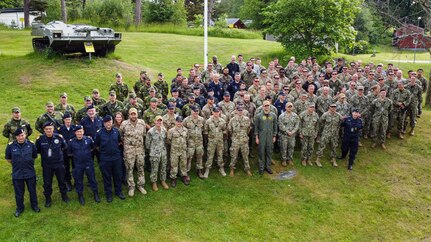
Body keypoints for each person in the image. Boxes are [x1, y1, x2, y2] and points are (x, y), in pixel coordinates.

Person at [5, 128, 39, 217]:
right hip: (17, 173)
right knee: (19, 193)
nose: (21, 137)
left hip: (30, 172)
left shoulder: (31, 144)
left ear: (25, 135)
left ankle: (34, 206)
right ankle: (20, 208)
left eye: (23, 135)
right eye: (19, 136)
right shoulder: (10, 146)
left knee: (32, 191)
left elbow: (34, 156)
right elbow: (8, 159)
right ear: (16, 136)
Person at [35, 122, 69, 207]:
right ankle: (48, 199)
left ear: (53, 129)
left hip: (59, 164)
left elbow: (64, 147)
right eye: (47, 129)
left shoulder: (59, 137)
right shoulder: (40, 139)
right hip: (47, 165)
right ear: (44, 130)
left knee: (62, 181)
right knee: (47, 183)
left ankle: (64, 196)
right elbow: (38, 150)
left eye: (50, 129)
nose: (49, 130)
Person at [95, 115, 125, 202]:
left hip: (116, 158)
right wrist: (105, 151)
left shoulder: (116, 131)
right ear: (104, 123)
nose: (108, 123)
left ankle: (118, 192)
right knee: (106, 177)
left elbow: (119, 142)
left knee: (118, 175)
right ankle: (108, 194)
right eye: (106, 122)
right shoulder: (99, 133)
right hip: (105, 159)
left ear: (112, 122)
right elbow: (97, 146)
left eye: (110, 122)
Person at [67, 125, 100, 205]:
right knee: (78, 180)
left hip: (88, 162)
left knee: (92, 179)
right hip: (78, 164)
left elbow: (93, 148)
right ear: (75, 133)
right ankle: (80, 195)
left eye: (81, 131)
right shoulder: (71, 142)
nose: (79, 133)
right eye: (78, 132)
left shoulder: (88, 139)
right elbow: (69, 153)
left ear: (83, 132)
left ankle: (95, 193)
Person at [119, 108, 147, 197]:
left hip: (139, 150)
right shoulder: (124, 124)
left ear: (137, 115)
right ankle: (131, 187)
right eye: (132, 114)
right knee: (129, 168)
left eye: (135, 114)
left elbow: (144, 134)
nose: (133, 116)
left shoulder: (142, 123)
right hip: (129, 151)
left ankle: (141, 185)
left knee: (140, 167)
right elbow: (120, 136)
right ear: (129, 115)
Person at [145, 116, 169, 191]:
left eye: (160, 121)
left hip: (163, 152)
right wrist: (152, 150)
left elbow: (165, 141)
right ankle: (154, 182)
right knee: (154, 168)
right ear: (154, 122)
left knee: (163, 167)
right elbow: (147, 144)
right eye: (157, 121)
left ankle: (163, 180)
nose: (159, 122)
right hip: (154, 153)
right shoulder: (150, 131)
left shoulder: (164, 130)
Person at [254, 101, 278, 175]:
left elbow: (275, 126)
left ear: (270, 106)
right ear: (263, 106)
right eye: (265, 105)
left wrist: (274, 136)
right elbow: (256, 128)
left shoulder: (273, 115)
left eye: (268, 105)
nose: (266, 107)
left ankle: (268, 166)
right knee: (261, 151)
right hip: (262, 136)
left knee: (269, 151)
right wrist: (257, 137)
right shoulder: (258, 116)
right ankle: (261, 167)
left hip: (270, 136)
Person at [228, 106, 252, 176]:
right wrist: (234, 137)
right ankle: (232, 169)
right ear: (236, 111)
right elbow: (230, 130)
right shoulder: (232, 120)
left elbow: (248, 129)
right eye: (239, 110)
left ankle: (247, 169)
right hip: (235, 140)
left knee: (245, 155)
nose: (240, 112)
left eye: (241, 110)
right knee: (234, 155)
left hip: (244, 140)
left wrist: (244, 135)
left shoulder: (247, 119)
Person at [203, 107, 227, 178]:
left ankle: (221, 168)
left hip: (220, 141)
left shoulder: (222, 121)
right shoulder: (208, 121)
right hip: (211, 141)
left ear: (219, 112)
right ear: (212, 112)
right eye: (215, 112)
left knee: (220, 155)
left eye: (217, 112)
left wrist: (223, 138)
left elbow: (224, 131)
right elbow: (205, 131)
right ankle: (207, 169)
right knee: (210, 155)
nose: (216, 113)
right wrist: (207, 141)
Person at [183, 105, 205, 179]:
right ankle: (186, 172)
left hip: (199, 141)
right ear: (191, 111)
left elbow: (204, 129)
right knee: (189, 156)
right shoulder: (186, 120)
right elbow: (183, 130)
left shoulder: (201, 119)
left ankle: (199, 170)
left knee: (199, 155)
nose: (196, 112)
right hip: (190, 141)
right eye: (194, 111)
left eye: (197, 111)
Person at [167, 116, 189, 187]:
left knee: (183, 164)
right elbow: (168, 141)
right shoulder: (171, 131)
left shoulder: (185, 130)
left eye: (181, 121)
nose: (179, 123)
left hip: (183, 150)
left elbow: (187, 139)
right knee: (174, 165)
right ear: (175, 122)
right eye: (178, 121)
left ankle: (184, 176)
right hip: (174, 151)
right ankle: (173, 178)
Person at [58, 112, 76, 192]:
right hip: (64, 151)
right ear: (64, 120)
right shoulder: (60, 129)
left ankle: (76, 181)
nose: (68, 121)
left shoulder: (74, 127)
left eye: (69, 119)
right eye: (66, 120)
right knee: (66, 167)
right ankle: (68, 182)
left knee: (75, 166)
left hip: (74, 150)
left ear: (71, 119)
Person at [278, 102, 300, 166]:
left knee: (291, 147)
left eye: (291, 107)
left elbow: (297, 124)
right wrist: (288, 132)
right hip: (284, 135)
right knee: (283, 147)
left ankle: (289, 159)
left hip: (292, 135)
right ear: (285, 107)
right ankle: (284, 160)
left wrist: (293, 132)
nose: (290, 108)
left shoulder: (295, 116)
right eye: (288, 107)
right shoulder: (281, 116)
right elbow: (281, 125)